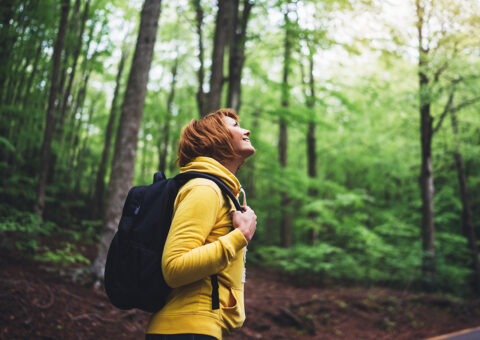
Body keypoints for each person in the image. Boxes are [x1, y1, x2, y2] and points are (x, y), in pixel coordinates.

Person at [145, 109, 257, 340]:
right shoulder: (204, 188)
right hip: (186, 329)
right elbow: (174, 268)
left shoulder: (219, 190)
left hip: (196, 329)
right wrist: (241, 235)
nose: (246, 130)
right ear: (216, 139)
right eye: (235, 126)